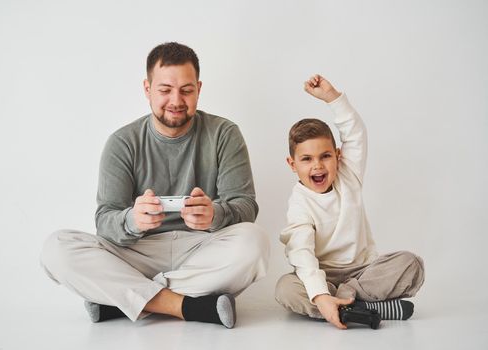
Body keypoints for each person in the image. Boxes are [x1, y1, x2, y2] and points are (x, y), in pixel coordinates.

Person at [40, 42, 269, 329]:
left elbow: (246, 206)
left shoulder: (224, 134)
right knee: (56, 249)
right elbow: (104, 222)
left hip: (200, 247)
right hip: (137, 250)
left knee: (255, 241)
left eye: (186, 90)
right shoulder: (122, 142)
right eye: (165, 90)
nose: (176, 100)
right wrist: (133, 220)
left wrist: (215, 215)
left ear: (198, 88)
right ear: (147, 89)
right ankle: (187, 306)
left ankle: (126, 299)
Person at [275, 74, 425, 329]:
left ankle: (346, 302)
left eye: (325, 156)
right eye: (307, 159)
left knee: (412, 264)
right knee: (285, 289)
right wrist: (320, 293)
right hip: (325, 277)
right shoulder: (300, 203)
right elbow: (301, 251)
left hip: (363, 272)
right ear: (292, 164)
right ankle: (356, 307)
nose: (318, 166)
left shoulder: (348, 176)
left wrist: (332, 97)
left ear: (338, 156)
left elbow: (355, 133)